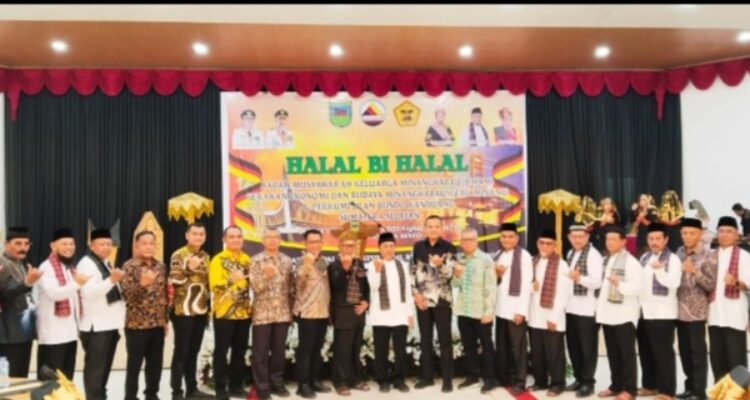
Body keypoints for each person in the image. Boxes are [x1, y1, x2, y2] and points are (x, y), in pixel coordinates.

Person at [77, 228, 126, 400]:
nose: (106, 247)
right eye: (102, 244)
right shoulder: (86, 263)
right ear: (91, 245)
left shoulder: (104, 262)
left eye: (109, 244)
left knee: (103, 369)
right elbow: (89, 293)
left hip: (109, 324)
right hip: (96, 327)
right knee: (95, 370)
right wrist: (112, 280)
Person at [596, 226, 643, 400]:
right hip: (608, 315)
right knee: (613, 354)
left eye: (614, 239)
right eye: (608, 239)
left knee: (626, 355)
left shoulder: (631, 262)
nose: (609, 242)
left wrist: (619, 284)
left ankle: (630, 390)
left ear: (623, 241)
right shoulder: (607, 259)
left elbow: (638, 289)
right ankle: (616, 386)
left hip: (624, 316)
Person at [411, 215, 457, 392]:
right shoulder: (418, 247)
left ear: (441, 228)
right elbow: (413, 272)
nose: (433, 229)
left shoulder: (449, 247)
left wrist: (439, 265)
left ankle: (447, 380)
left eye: (436, 226)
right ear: (425, 228)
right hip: (423, 301)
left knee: (445, 341)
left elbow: (450, 274)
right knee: (425, 340)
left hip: (442, 301)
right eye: (430, 226)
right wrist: (416, 295)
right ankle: (427, 377)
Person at [35, 228, 89, 380]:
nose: (69, 247)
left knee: (66, 379)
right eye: (64, 244)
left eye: (71, 244)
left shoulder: (69, 268)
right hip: (53, 335)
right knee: (50, 381)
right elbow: (54, 294)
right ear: (53, 246)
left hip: (70, 334)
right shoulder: (46, 267)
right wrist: (77, 284)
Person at [121, 231, 169, 400]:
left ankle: (152, 394)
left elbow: (163, 296)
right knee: (134, 365)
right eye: (144, 243)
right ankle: (130, 396)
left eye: (151, 243)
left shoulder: (161, 266)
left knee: (155, 364)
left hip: (157, 323)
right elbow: (126, 296)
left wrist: (165, 320)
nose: (148, 246)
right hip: (137, 324)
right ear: (136, 245)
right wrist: (142, 285)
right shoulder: (129, 266)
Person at [636, 223, 682, 399]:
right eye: (651, 239)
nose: (654, 242)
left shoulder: (673, 259)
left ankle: (667, 391)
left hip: (663, 313)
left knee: (663, 354)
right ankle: (650, 386)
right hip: (643, 312)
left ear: (666, 240)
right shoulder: (645, 257)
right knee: (646, 351)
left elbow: (674, 283)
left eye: (658, 239)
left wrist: (660, 270)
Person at [249, 228, 295, 400]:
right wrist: (266, 276)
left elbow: (291, 288)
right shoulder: (255, 260)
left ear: (280, 240)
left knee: (279, 352)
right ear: (263, 240)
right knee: (260, 353)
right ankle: (262, 386)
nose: (272, 240)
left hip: (282, 313)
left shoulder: (287, 261)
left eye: (276, 237)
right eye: (269, 237)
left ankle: (277, 383)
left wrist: (291, 311)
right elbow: (255, 287)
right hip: (262, 313)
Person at [168, 223, 212, 400]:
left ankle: (192, 389)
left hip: (200, 310)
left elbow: (207, 283)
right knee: (181, 352)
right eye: (194, 234)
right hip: (183, 311)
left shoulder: (206, 256)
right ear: (187, 235)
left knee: (193, 352)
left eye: (201, 234)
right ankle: (176, 392)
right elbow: (174, 279)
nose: (198, 237)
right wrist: (189, 268)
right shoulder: (179, 254)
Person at [366, 232, 413, 394]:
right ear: (379, 248)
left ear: (395, 248)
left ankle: (399, 379)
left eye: (391, 246)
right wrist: (378, 270)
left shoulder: (403, 265)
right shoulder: (372, 265)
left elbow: (408, 291)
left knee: (400, 349)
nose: (389, 249)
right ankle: (383, 380)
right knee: (381, 350)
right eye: (385, 246)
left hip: (400, 314)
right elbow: (373, 287)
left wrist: (410, 313)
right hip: (381, 315)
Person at [209, 226, 252, 400]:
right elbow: (214, 286)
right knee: (221, 352)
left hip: (244, 313)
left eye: (239, 236)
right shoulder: (218, 260)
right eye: (232, 237)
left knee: (239, 352)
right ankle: (220, 388)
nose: (236, 240)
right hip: (224, 314)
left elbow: (250, 284)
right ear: (224, 240)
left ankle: (236, 386)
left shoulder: (247, 259)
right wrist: (230, 280)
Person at [527, 229, 572, 397]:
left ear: (555, 245)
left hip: (552, 317)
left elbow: (564, 293)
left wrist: (554, 317)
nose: (544, 246)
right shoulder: (533, 261)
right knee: (537, 352)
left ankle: (557, 384)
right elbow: (528, 285)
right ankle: (540, 381)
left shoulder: (561, 265)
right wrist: (532, 287)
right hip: (535, 315)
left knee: (554, 353)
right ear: (537, 244)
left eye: (549, 243)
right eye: (542, 243)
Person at [675, 218, 717, 400]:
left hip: (697, 312)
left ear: (700, 234)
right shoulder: (679, 252)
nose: (687, 236)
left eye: (692, 233)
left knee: (697, 353)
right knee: (684, 352)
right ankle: (689, 388)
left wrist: (694, 271)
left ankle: (699, 391)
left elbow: (710, 284)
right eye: (684, 233)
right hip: (678, 310)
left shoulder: (709, 255)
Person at [453, 227, 497, 394]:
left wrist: (488, 312)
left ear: (476, 241)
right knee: (468, 346)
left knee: (486, 346)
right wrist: (457, 275)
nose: (467, 243)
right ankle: (472, 376)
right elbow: (455, 285)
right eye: (464, 240)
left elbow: (491, 288)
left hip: (481, 312)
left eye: (470, 239)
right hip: (464, 310)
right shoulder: (459, 260)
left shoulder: (486, 259)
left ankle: (489, 378)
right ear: (460, 242)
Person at [708, 217, 750, 383]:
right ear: (717, 234)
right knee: (717, 359)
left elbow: (748, 284)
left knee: (736, 360)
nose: (725, 235)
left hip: (734, 315)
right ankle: (722, 393)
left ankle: (740, 394)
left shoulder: (745, 256)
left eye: (729, 231)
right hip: (714, 315)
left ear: (736, 235)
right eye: (721, 231)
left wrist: (736, 282)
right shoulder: (711, 256)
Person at [328, 231, 370, 396]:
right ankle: (340, 382)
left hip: (358, 312)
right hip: (343, 313)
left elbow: (365, 286)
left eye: (352, 246)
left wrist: (366, 302)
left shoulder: (359, 262)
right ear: (340, 246)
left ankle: (355, 379)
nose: (349, 248)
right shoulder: (334, 265)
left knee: (355, 349)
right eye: (346, 245)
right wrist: (345, 269)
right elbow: (335, 286)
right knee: (342, 350)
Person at [563, 225, 603, 398]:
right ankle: (579, 378)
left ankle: (588, 382)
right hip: (571, 308)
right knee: (574, 347)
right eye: (574, 236)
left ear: (587, 237)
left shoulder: (593, 255)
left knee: (588, 349)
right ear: (569, 237)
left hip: (587, 309)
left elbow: (597, 282)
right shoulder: (571, 253)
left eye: (581, 236)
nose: (577, 240)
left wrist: (579, 278)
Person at [293, 229, 332, 398]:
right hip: (307, 312)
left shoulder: (323, 261)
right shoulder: (301, 261)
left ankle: (314, 380)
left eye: (318, 241)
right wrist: (307, 265)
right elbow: (298, 284)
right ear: (305, 244)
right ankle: (303, 385)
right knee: (306, 350)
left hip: (323, 312)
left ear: (322, 243)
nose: (315, 245)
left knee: (317, 349)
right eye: (312, 242)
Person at [494, 222, 532, 395]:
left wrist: (521, 311)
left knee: (518, 348)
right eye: (504, 237)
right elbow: (497, 283)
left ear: (517, 238)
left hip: (515, 310)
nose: (507, 240)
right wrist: (497, 275)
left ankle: (520, 381)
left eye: (510, 237)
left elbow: (526, 285)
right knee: (502, 346)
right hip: (501, 309)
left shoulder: (524, 256)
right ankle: (504, 377)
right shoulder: (499, 255)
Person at [0, 226, 43, 378]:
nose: (23, 248)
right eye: (18, 243)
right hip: (9, 335)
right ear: (6, 244)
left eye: (26, 244)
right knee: (10, 380)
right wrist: (27, 282)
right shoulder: (3, 264)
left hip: (21, 332)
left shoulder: (18, 263)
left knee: (20, 377)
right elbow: (7, 292)